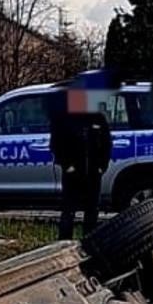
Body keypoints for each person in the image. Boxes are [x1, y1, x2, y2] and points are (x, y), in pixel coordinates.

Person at [50, 84, 112, 241]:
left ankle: (89, 243)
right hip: (72, 173)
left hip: (92, 172)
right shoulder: (63, 118)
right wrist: (67, 165)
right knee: (69, 210)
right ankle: (64, 243)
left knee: (92, 210)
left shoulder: (98, 118)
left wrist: (101, 167)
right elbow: (56, 144)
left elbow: (106, 144)